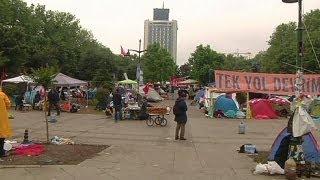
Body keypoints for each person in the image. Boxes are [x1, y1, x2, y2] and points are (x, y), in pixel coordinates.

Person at [0, 89, 12, 159]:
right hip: (1, 119)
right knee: (1, 138)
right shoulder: (2, 94)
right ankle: (1, 153)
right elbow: (8, 105)